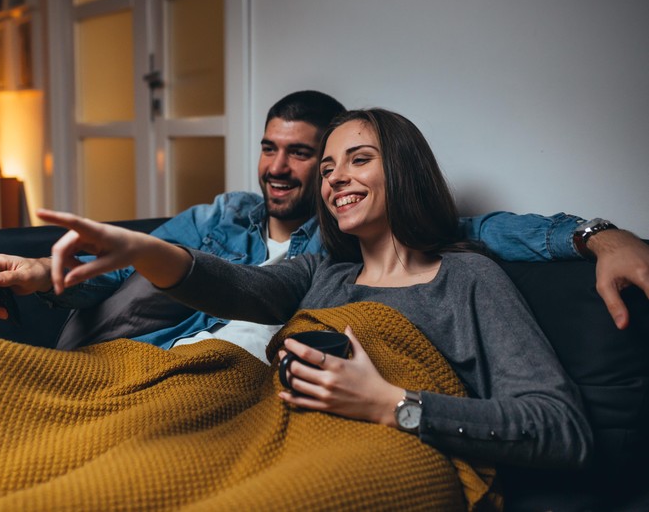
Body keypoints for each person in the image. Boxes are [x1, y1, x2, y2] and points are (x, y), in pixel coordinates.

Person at [34, 107, 593, 468]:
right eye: (327, 168)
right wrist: (139, 248)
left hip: (378, 461)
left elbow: (562, 428)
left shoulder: (468, 279)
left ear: (403, 171)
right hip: (263, 435)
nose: (335, 178)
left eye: (359, 160)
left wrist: (395, 406)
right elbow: (236, 287)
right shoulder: (323, 272)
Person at [0, 91, 649, 361]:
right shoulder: (219, 217)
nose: (281, 167)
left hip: (224, 383)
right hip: (144, 363)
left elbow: (477, 228)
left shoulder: (336, 252)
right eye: (271, 148)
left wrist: (598, 235)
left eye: (304, 154)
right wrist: (40, 275)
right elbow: (128, 269)